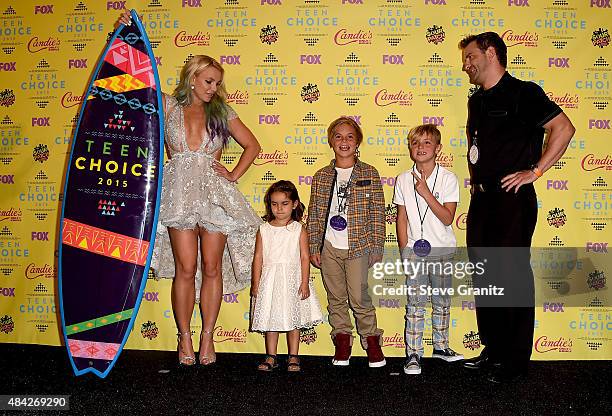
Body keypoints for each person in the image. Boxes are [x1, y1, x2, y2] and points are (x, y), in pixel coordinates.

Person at [117, 14, 262, 366]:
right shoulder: (168, 105)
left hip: (214, 195)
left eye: (217, 82)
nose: (213, 87)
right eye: (209, 80)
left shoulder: (222, 111)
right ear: (193, 78)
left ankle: (208, 340)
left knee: (212, 268)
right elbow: (133, 80)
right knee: (186, 268)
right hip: (179, 193)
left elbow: (253, 146)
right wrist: (125, 36)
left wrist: (232, 174)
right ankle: (184, 339)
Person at [459, 32, 575, 383]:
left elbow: (564, 128)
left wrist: (536, 171)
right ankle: (494, 350)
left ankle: (513, 362)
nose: (465, 65)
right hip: (481, 199)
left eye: (469, 57)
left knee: (510, 277)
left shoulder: (523, 92)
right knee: (486, 278)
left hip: (512, 199)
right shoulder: (476, 101)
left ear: (491, 53)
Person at [307, 116, 386, 368]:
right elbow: (316, 213)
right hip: (329, 245)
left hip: (359, 245)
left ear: (358, 141)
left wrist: (376, 246)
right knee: (336, 296)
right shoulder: (321, 176)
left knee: (359, 296)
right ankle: (342, 340)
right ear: (331, 141)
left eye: (350, 136)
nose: (344, 141)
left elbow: (377, 213)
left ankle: (371, 340)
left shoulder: (369, 173)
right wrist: (313, 247)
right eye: (338, 136)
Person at [393, 124, 463, 375]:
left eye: (426, 143)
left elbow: (447, 218)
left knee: (442, 302)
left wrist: (425, 192)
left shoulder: (448, 178)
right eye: (415, 143)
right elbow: (401, 218)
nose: (420, 147)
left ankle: (441, 347)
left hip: (442, 250)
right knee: (415, 304)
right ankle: (413, 353)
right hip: (415, 251)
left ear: (438, 148)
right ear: (410, 149)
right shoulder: (402, 179)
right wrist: (404, 250)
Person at [250, 180, 323, 372]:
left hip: (292, 279)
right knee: (270, 320)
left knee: (294, 318)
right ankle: (271, 355)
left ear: (294, 204)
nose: (279, 208)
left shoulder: (298, 229)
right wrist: (256, 283)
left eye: (284, 203)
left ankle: (293, 356)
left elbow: (305, 257)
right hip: (270, 280)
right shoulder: (264, 229)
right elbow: (258, 257)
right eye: (274, 204)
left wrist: (305, 283)